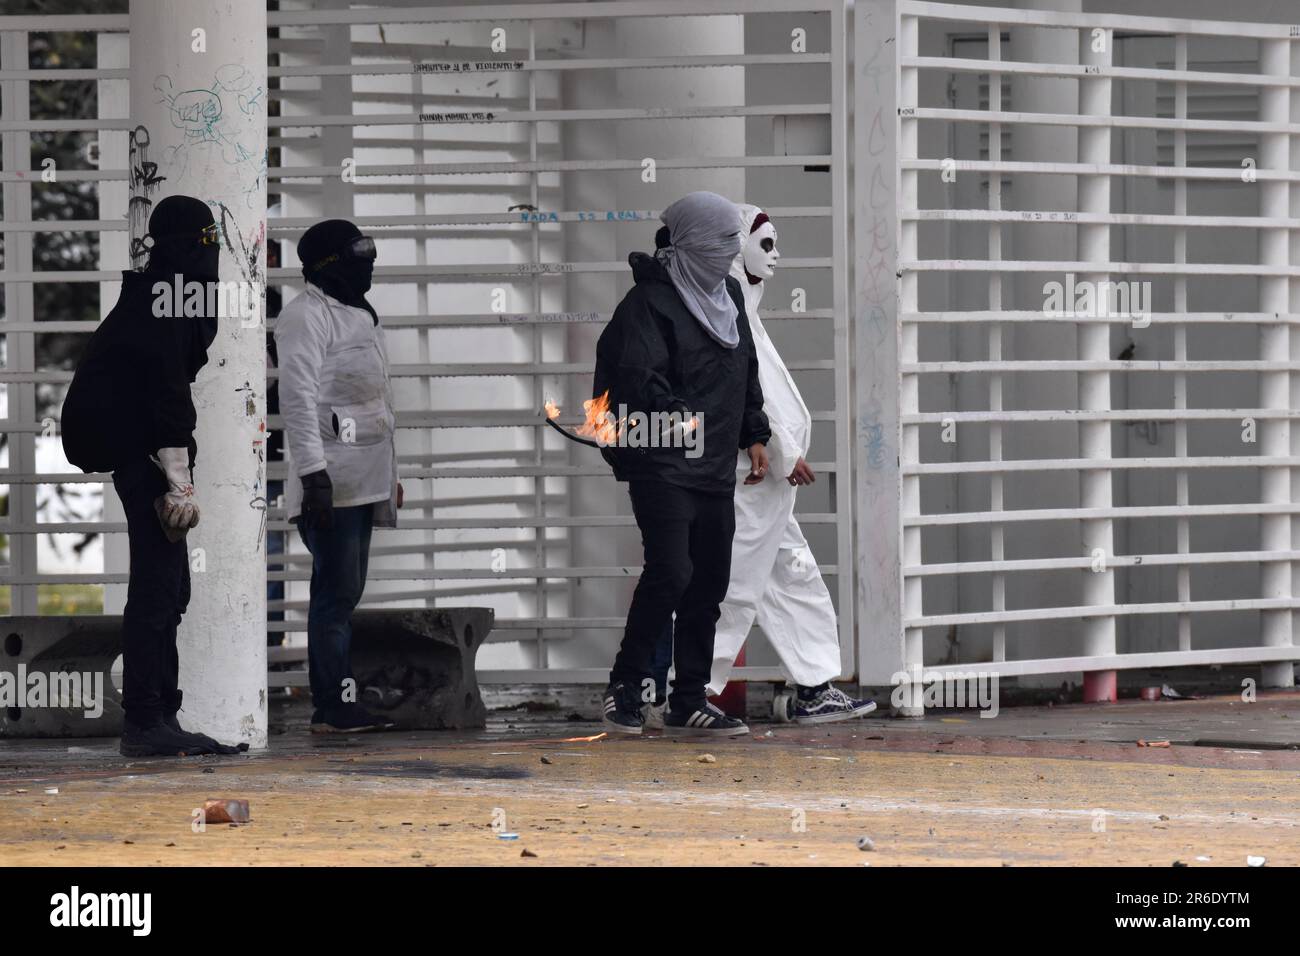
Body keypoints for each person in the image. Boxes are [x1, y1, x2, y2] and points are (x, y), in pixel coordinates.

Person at [61, 195, 247, 757]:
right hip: (143, 459)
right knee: (157, 590)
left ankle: (161, 716)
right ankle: (146, 721)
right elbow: (168, 393)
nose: (212, 253)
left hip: (144, 454)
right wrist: (178, 480)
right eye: (205, 241)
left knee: (170, 588)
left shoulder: (160, 294)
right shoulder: (165, 302)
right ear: (184, 246)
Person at [596, 191, 770, 736]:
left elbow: (746, 370)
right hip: (660, 464)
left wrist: (754, 434)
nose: (730, 253)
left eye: (733, 242)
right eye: (721, 243)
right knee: (672, 571)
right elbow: (635, 378)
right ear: (691, 243)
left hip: (714, 466)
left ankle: (688, 698)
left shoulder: (731, 300)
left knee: (709, 582)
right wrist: (678, 417)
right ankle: (625, 687)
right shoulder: (648, 305)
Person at [706, 204, 875, 723]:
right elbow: (744, 391)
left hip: (764, 478)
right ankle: (681, 688)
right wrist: (780, 451)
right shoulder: (728, 308)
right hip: (751, 476)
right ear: (735, 245)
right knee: (732, 584)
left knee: (786, 575)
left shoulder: (740, 306)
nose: (777, 256)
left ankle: (814, 684)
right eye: (766, 244)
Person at [274, 219, 401, 734]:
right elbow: (298, 402)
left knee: (345, 593)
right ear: (329, 263)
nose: (367, 262)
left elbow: (380, 402)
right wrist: (314, 477)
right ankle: (332, 706)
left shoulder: (358, 312)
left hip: (365, 480)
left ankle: (338, 702)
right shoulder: (305, 317)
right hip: (333, 481)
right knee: (335, 597)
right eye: (357, 254)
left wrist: (391, 475)